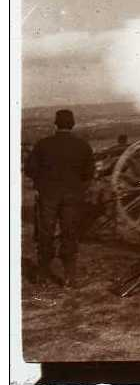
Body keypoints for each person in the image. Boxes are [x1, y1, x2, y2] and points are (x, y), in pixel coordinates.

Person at [25, 109, 95, 287]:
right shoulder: (82, 146)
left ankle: (42, 276)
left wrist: (41, 185)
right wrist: (78, 189)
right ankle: (69, 277)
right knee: (69, 234)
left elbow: (30, 169)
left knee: (45, 233)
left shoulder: (43, 144)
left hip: (48, 195)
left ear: (55, 124)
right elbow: (89, 174)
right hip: (72, 196)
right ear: (73, 124)